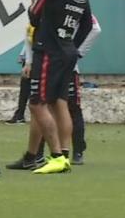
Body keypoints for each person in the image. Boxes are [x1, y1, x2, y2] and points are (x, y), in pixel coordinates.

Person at [16, 0, 93, 175]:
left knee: (37, 104)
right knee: (59, 104)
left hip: (50, 51)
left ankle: (56, 156)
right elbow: (88, 24)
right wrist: (70, 45)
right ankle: (65, 155)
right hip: (67, 51)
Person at [7, 10, 101, 170]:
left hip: (59, 63)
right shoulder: (39, 12)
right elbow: (30, 36)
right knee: (43, 106)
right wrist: (28, 61)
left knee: (62, 106)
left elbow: (95, 28)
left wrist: (77, 52)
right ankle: (38, 155)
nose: (35, 0)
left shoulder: (62, 3)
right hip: (45, 63)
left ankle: (69, 153)